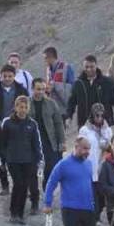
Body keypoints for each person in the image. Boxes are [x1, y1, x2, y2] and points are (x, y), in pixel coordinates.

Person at [43, 136, 98, 226]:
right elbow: (51, 183)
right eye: (85, 149)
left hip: (88, 208)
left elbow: (89, 185)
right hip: (70, 208)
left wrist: (95, 205)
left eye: (89, 149)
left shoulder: (89, 164)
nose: (87, 152)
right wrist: (47, 203)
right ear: (76, 147)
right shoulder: (63, 164)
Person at [0, 96, 43, 225]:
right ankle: (13, 213)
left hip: (28, 160)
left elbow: (36, 143)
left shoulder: (32, 123)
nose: (23, 110)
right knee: (18, 184)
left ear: (28, 108)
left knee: (24, 186)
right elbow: (2, 143)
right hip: (13, 160)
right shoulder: (7, 122)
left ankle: (20, 214)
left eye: (25, 107)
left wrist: (39, 158)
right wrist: (2, 159)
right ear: (15, 107)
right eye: (20, 107)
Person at [0, 65, 29, 196]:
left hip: (17, 126)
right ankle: (5, 184)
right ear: (1, 76)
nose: (7, 78)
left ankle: (24, 184)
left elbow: (27, 107)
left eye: (10, 76)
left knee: (21, 154)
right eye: (4, 76)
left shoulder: (21, 89)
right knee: (0, 155)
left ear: (14, 76)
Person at [29, 78, 65, 212]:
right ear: (32, 89)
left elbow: (58, 124)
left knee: (51, 169)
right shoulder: (25, 103)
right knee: (32, 172)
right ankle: (34, 198)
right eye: (38, 89)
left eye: (43, 89)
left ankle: (46, 194)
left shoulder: (51, 104)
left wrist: (62, 142)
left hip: (49, 142)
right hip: (31, 143)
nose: (41, 92)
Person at [78, 103, 114, 214]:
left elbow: (111, 147)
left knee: (102, 197)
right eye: (96, 115)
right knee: (93, 196)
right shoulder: (85, 130)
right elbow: (80, 147)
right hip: (90, 167)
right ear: (92, 116)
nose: (99, 118)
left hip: (102, 168)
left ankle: (97, 214)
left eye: (101, 115)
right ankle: (94, 218)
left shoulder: (107, 130)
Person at [66, 55, 114, 129]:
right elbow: (71, 102)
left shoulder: (107, 82)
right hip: (85, 124)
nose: (89, 69)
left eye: (92, 67)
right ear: (83, 67)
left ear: (96, 66)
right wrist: (69, 117)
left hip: (104, 122)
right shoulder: (78, 84)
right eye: (86, 67)